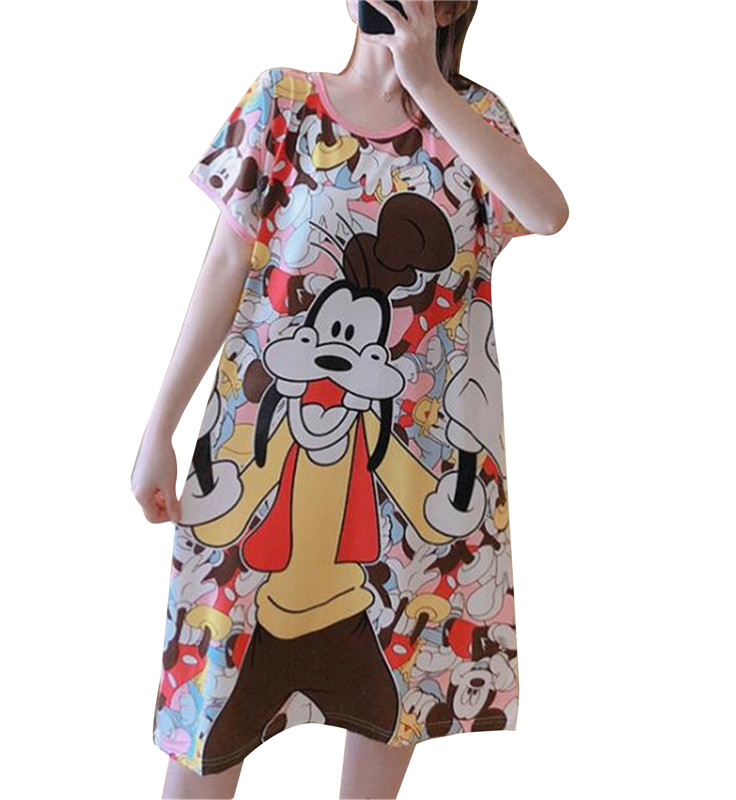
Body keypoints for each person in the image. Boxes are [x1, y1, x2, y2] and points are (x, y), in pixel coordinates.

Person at [131, 1, 569, 797]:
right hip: (259, 452)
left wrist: (426, 84)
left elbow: (546, 213)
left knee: (391, 700)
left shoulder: (476, 121)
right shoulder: (281, 102)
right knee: (208, 717)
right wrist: (157, 427)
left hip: (411, 475)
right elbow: (225, 267)